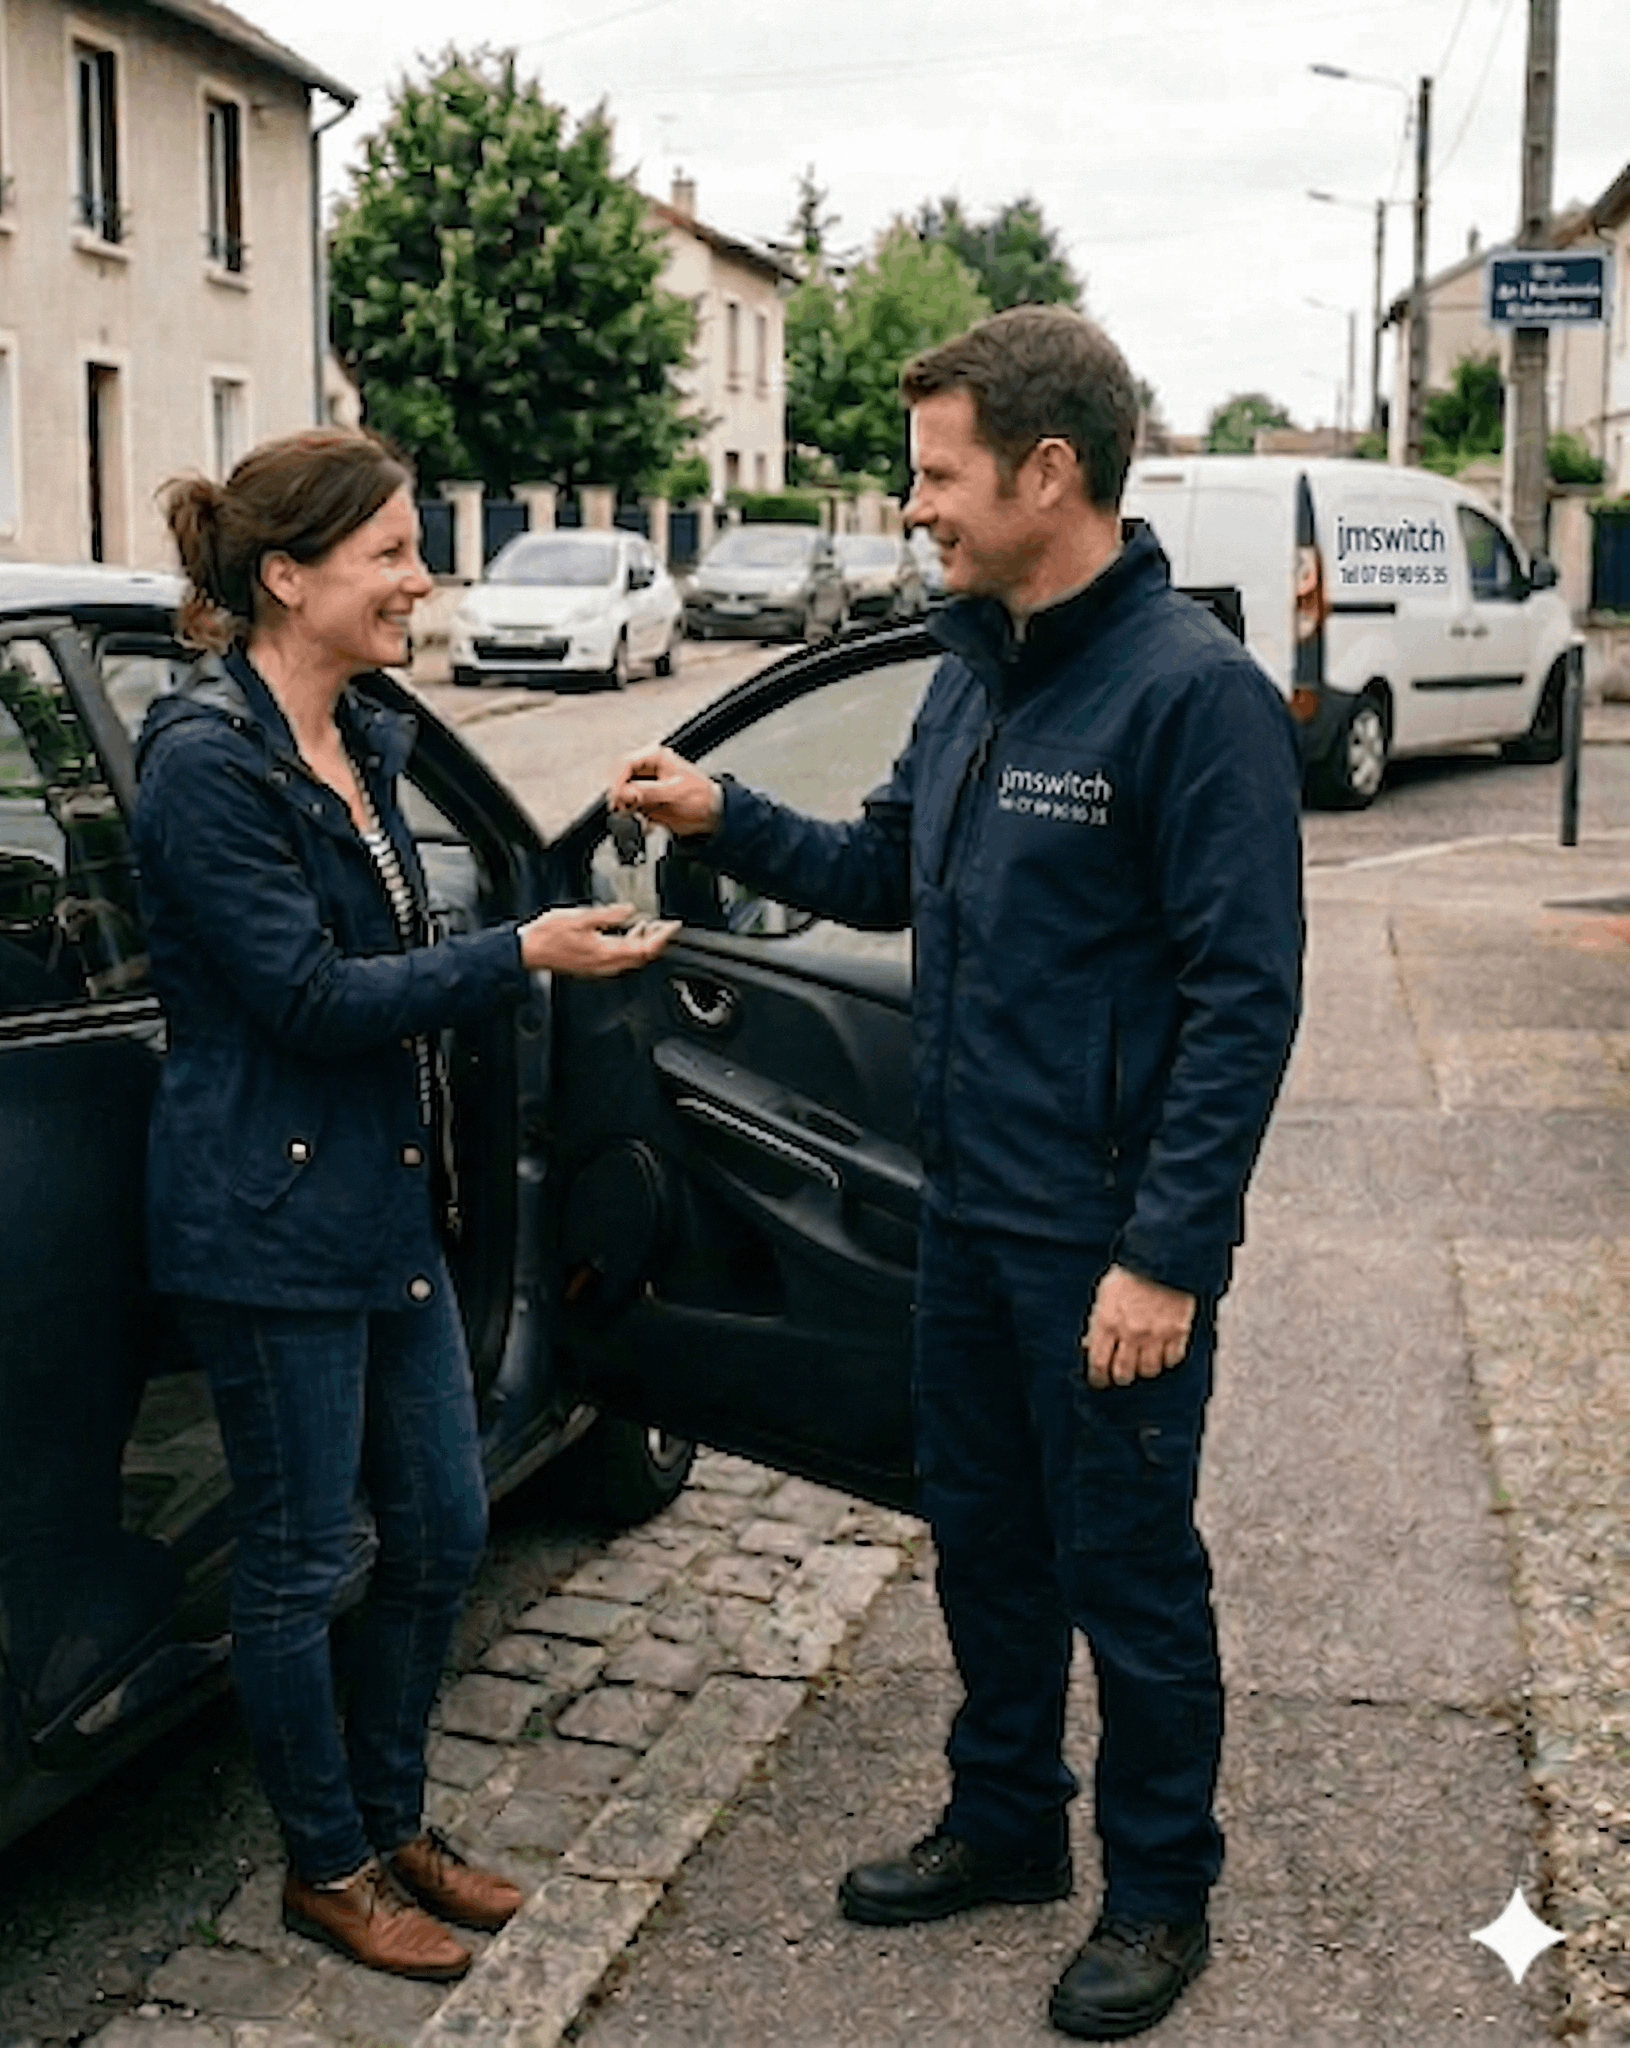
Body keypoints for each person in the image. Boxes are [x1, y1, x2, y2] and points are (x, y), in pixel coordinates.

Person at [608, 307, 1303, 2040]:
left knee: (1129, 1573)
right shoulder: (974, 669)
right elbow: (884, 873)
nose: (913, 508)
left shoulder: (1190, 699)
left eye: (938, 475)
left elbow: (1244, 1004)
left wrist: (1168, 1257)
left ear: (1046, 472)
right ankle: (1007, 1825)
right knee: (984, 1545)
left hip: (1104, 1245)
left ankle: (1159, 1888)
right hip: (969, 1213)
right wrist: (722, 818)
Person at [134, 428, 674, 1983]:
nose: (420, 579)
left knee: (439, 1527)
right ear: (286, 576)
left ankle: (395, 1819)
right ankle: (331, 1865)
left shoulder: (363, 736)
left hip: (381, 1205)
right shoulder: (206, 764)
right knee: (304, 1557)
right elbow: (305, 999)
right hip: (265, 1216)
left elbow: (380, 960)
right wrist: (519, 956)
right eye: (389, 554)